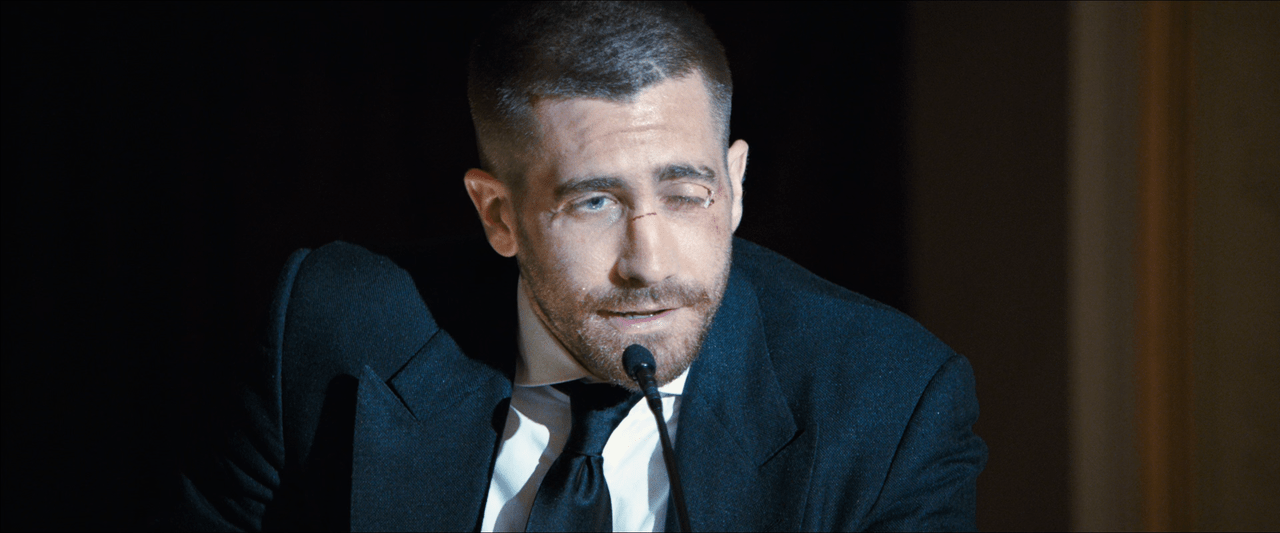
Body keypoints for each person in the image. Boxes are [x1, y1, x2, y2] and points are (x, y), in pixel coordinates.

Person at [168, 2, 986, 531]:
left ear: (735, 186)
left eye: (686, 193)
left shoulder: (892, 404)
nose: (648, 262)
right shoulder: (330, 328)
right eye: (594, 202)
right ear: (499, 214)